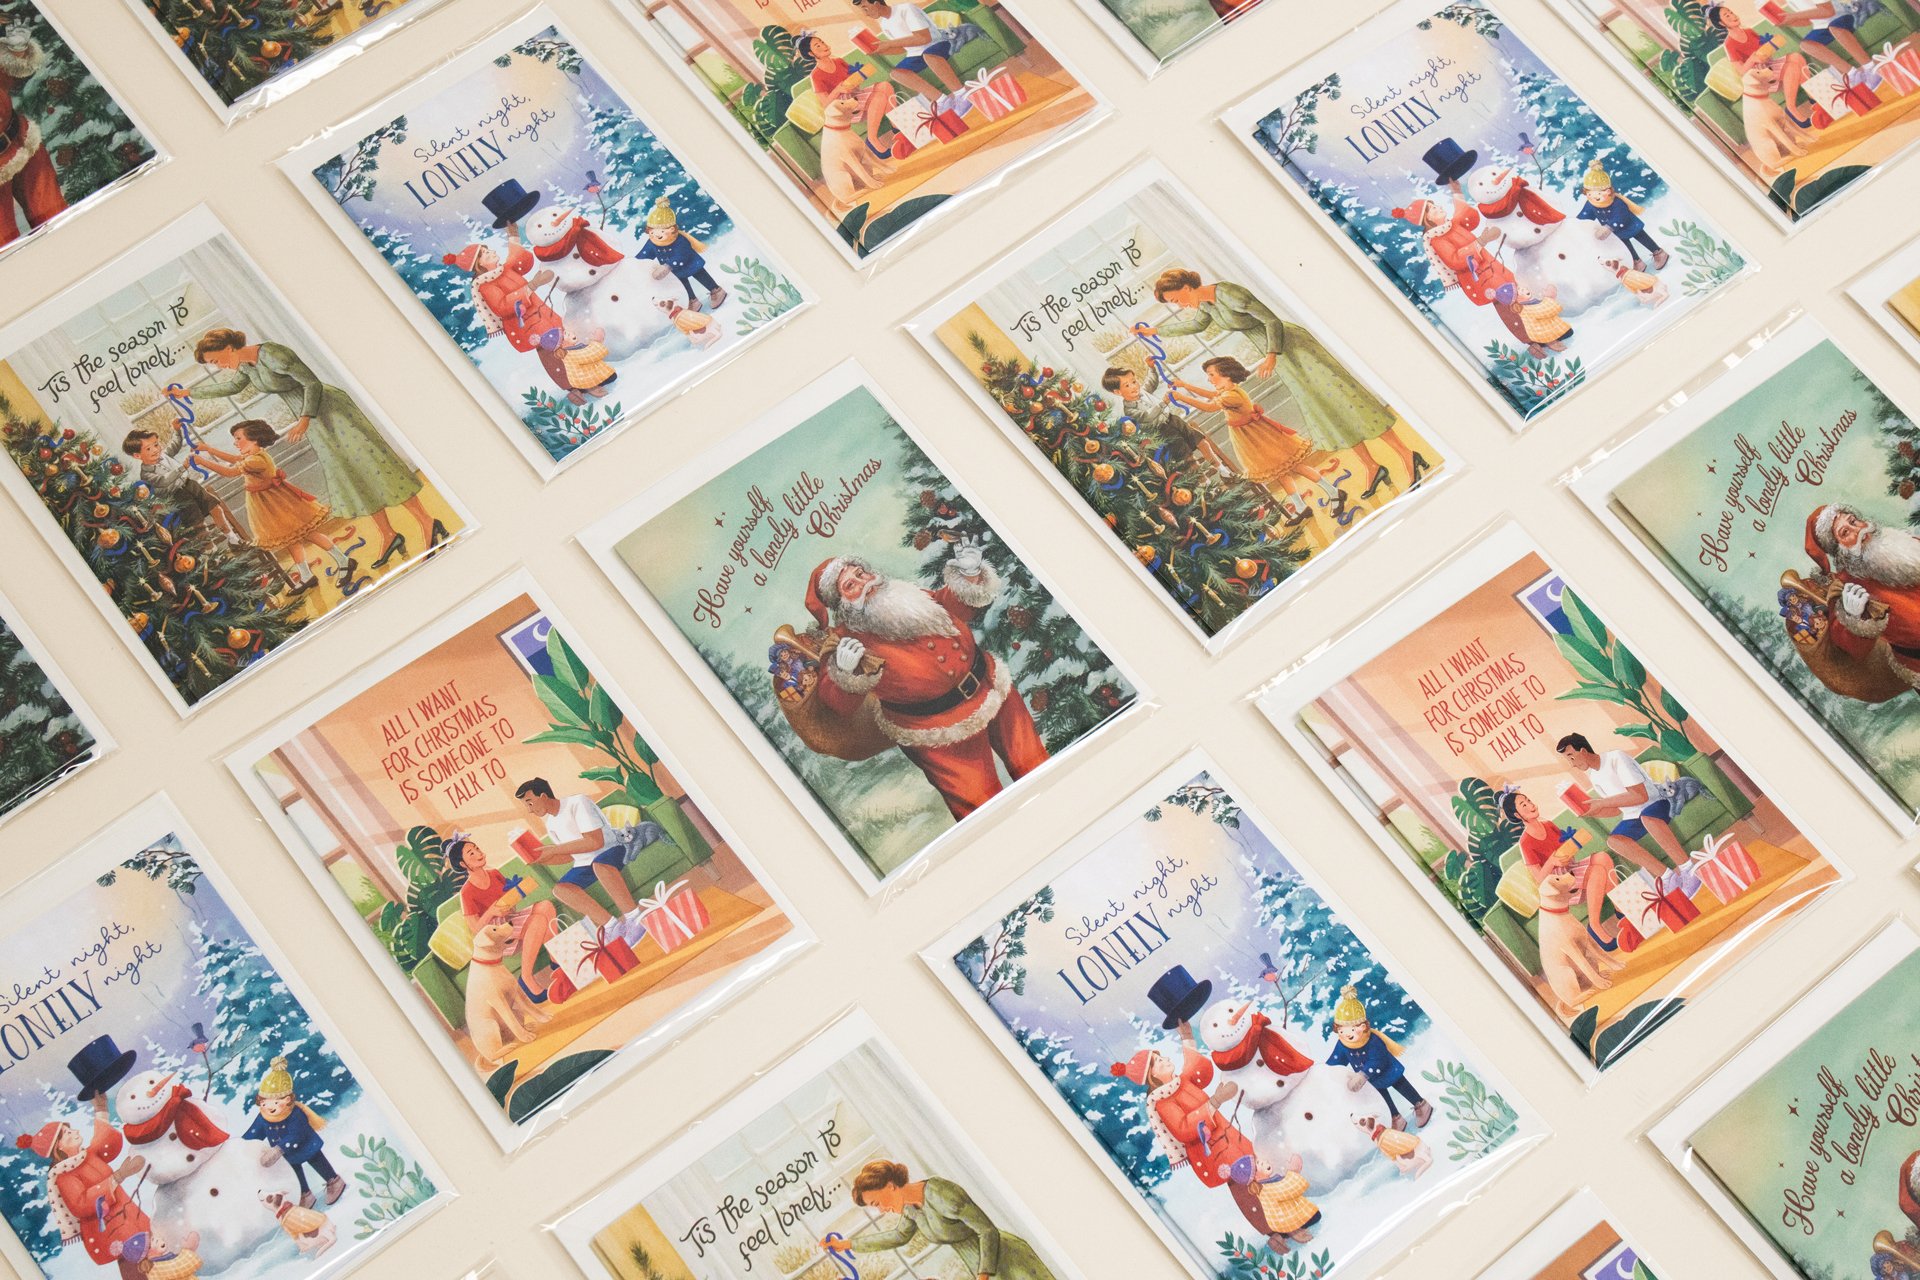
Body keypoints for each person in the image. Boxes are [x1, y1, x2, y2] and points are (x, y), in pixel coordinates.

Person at [810, 538, 1049, 819]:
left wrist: (970, 575)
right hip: (940, 732)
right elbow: (835, 703)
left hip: (992, 686)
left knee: (1040, 769)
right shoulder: (844, 641)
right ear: (841, 604)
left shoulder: (903, 595)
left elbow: (948, 607)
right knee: (985, 811)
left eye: (861, 573)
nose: (864, 583)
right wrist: (845, 673)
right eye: (850, 585)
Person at [1138, 270, 1429, 497]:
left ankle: (1407, 454)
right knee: (1322, 409)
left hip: (1291, 346)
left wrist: (1271, 355)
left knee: (1345, 400)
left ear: (1187, 287)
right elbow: (1195, 325)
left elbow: (1271, 320)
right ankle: (1372, 466)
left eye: (1177, 299)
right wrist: (1155, 331)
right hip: (1279, 356)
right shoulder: (1208, 306)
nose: (1180, 306)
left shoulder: (1229, 293)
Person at [193, 328, 445, 570]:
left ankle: (428, 522)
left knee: (373, 464)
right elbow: (231, 387)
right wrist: (188, 392)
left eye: (216, 360)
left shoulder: (273, 354)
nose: (218, 366)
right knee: (350, 474)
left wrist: (304, 419)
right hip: (313, 421)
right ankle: (388, 534)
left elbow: (312, 384)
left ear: (229, 348)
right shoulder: (247, 366)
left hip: (329, 410)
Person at [1167, 357, 1342, 523]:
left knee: (1295, 467)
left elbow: (1209, 407)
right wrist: (1184, 385)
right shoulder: (1227, 391)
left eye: (1212, 374)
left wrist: (1181, 397)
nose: (1209, 379)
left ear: (1226, 375)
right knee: (1279, 472)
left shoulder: (1232, 396)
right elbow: (1212, 395)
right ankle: (1301, 507)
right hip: (1251, 439)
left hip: (1260, 437)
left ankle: (1334, 492)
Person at [191, 421, 355, 595]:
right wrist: (208, 449)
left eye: (238, 438)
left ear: (254, 439)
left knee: (308, 534)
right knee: (290, 539)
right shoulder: (253, 455)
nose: (235, 443)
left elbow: (230, 472)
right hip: (268, 505)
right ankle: (307, 575)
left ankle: (344, 561)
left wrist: (202, 461)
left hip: (278, 503)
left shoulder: (256, 460)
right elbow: (234, 459)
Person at [822, 1159, 1059, 1279]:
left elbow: (987, 1231)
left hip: (1005, 1257)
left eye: (877, 1203)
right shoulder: (911, 1209)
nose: (881, 1210)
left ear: (891, 1186)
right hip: (978, 1266)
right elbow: (898, 1237)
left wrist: (983, 1276)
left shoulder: (940, 1192)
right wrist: (847, 1244)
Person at [15, 1098, 148, 1278]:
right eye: (67, 1133)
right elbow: (82, 1204)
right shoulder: (64, 1177)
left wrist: (101, 1110)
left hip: (130, 1218)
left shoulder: (89, 1155)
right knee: (136, 1269)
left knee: (156, 1255)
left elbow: (105, 1141)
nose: (75, 1131)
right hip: (112, 1231)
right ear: (58, 1146)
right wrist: (117, 1176)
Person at [442, 235, 577, 400]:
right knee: (551, 352)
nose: (491, 251)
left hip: (542, 315)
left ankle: (586, 376)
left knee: (566, 341)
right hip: (527, 325)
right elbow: (502, 306)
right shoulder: (485, 286)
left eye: (488, 250)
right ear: (479, 264)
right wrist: (531, 286)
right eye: (485, 253)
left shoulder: (505, 269)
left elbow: (520, 260)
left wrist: (513, 237)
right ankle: (573, 388)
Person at [1555, 732, 1699, 884]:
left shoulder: (1616, 758)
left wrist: (1602, 803)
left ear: (1583, 751)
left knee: (1647, 818)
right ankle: (1668, 878)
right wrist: (1592, 812)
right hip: (1633, 816)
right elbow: (1617, 810)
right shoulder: (1594, 777)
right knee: (1614, 841)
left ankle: (1688, 868)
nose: (1572, 764)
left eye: (1571, 757)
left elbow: (1640, 796)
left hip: (1656, 802)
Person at [1804, 503, 1920, 691]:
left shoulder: (1896, 539)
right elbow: (1848, 650)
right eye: (1845, 532)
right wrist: (1853, 618)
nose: (1857, 530)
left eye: (1853, 521)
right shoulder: (1845, 588)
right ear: (1839, 549)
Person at [513, 777, 642, 939]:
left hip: (611, 848)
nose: (529, 810)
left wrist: (554, 850)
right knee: (560, 889)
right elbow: (569, 856)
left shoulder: (577, 803)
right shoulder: (551, 824)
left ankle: (634, 917)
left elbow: (595, 842)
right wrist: (543, 859)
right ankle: (612, 926)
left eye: (530, 803)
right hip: (585, 863)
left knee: (599, 865)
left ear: (544, 796)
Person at [1500, 786, 1623, 946]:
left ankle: (1620, 908)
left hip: (1570, 869)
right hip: (1559, 884)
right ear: (1517, 815)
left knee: (1603, 857)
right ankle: (1594, 926)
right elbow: (1539, 879)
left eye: (1529, 800)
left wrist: (1572, 843)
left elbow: (1567, 853)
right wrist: (1552, 862)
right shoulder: (1525, 843)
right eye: (1524, 805)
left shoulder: (1548, 825)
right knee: (1597, 872)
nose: (1531, 805)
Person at [451, 831, 563, 1005]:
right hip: (495, 933)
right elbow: (476, 929)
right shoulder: (466, 892)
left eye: (477, 849)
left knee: (546, 906)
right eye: (471, 853)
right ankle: (526, 978)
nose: (478, 853)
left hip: (509, 919)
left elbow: (511, 907)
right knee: (538, 921)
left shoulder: (494, 874)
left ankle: (556, 962)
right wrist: (492, 912)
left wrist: (516, 893)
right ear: (462, 864)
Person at [243, 1056, 344, 1210]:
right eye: (264, 1103)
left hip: (307, 1146)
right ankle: (305, 1194)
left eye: (276, 1102)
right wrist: (242, 1144)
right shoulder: (264, 1117)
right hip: (288, 1155)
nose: (269, 1107)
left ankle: (334, 1181)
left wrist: (279, 1149)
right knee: (295, 1172)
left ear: (287, 1100)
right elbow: (254, 1132)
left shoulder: (295, 1113)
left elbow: (297, 1135)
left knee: (317, 1161)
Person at [1327, 984, 1431, 1131]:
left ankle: (1420, 1105)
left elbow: (1378, 1060)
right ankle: (1396, 1118)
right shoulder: (1343, 1044)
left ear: (1363, 1027)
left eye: (1352, 1029)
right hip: (1372, 1080)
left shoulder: (1373, 1040)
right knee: (1382, 1097)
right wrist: (1326, 1071)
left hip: (1388, 1070)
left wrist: (1363, 1075)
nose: (1347, 1034)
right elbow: (1336, 1059)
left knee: (1401, 1086)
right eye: (1342, 1031)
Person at [0, 21, 66, 249]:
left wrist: (18, 49)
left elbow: (12, 73)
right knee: (7, 246)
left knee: (56, 217)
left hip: (21, 141)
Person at [848, 0, 988, 103]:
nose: (865, 13)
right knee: (896, 73)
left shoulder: (906, 9)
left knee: (929, 55)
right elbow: (903, 48)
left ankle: (961, 93)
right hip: (915, 53)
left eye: (865, 8)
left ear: (876, 3)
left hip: (937, 43)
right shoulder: (884, 24)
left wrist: (889, 43)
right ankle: (942, 101)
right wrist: (881, 50)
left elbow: (924, 38)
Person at [1099, 366, 1234, 472]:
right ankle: (1205, 483)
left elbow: (1151, 382)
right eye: (1127, 385)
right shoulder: (1129, 409)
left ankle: (1223, 471)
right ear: (1118, 392)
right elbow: (1148, 416)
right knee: (1187, 457)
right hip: (1162, 431)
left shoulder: (1143, 391)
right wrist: (1163, 402)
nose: (1134, 386)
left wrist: (1151, 368)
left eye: (1134, 381)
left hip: (1173, 420)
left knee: (1201, 441)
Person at [122, 427, 243, 542]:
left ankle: (233, 540)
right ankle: (210, 550)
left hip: (189, 485)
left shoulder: (164, 455)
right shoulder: (146, 474)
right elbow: (164, 480)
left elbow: (175, 444)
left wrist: (176, 430)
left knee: (215, 508)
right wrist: (183, 467)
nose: (155, 450)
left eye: (156, 444)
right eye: (148, 449)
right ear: (137, 455)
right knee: (197, 524)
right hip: (176, 496)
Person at [797, 30, 900, 156]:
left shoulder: (839, 61)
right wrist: (838, 90)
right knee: (879, 97)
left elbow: (854, 85)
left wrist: (858, 75)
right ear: (811, 53)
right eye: (817, 45)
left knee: (885, 86)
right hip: (843, 107)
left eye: (822, 42)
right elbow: (826, 104)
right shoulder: (816, 75)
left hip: (855, 96)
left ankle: (896, 127)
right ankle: (872, 140)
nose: (823, 46)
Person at [637, 197, 726, 312]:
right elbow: (645, 254)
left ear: (672, 229)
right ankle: (692, 301)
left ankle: (716, 290)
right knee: (682, 285)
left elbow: (682, 254)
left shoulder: (680, 240)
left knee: (701, 275)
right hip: (675, 271)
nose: (656, 235)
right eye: (652, 232)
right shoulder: (652, 242)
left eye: (662, 231)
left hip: (691, 263)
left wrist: (668, 266)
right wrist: (636, 263)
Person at [1577, 161, 1668, 273]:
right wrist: (1577, 223)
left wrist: (1608, 227)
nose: (1594, 197)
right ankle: (1637, 262)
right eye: (1589, 194)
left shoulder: (1617, 202)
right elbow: (1585, 215)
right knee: (1626, 247)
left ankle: (1658, 252)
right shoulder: (1591, 204)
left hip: (1630, 225)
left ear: (1608, 191)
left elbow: (1621, 216)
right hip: (1617, 232)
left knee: (1642, 238)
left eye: (1599, 193)